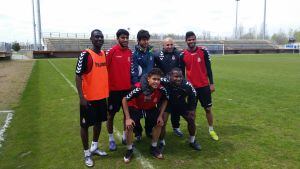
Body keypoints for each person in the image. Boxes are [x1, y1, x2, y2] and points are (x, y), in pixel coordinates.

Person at [75, 29, 108, 167]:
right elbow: (77, 76)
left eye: (101, 37)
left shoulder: (103, 54)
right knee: (85, 125)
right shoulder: (85, 55)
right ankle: (86, 153)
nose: (99, 39)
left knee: (98, 122)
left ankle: (94, 147)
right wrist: (82, 97)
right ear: (91, 39)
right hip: (88, 99)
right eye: (96, 37)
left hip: (101, 97)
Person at [122, 68, 168, 163]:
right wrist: (127, 118)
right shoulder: (138, 88)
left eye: (158, 79)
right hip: (135, 107)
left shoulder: (161, 89)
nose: (156, 82)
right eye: (154, 79)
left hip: (149, 107)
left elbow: (165, 100)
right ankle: (129, 149)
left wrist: (160, 115)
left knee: (159, 123)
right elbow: (124, 99)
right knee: (129, 126)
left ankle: (154, 147)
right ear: (148, 79)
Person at [182, 31, 219, 141]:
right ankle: (193, 133)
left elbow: (209, 68)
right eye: (189, 40)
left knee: (208, 109)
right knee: (192, 112)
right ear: (186, 41)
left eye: (193, 39)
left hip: (204, 86)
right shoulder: (183, 54)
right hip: (191, 88)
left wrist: (211, 83)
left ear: (195, 39)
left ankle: (211, 129)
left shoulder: (203, 51)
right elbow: (182, 73)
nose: (191, 41)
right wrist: (184, 87)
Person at [160, 68, 201, 150]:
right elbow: (150, 79)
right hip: (167, 104)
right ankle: (161, 142)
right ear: (170, 76)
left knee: (191, 119)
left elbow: (193, 95)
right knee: (162, 122)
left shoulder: (187, 84)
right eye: (176, 76)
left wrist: (191, 109)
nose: (178, 79)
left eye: (180, 77)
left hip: (181, 104)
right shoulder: (164, 80)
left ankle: (192, 141)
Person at [106, 29, 132, 151]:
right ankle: (111, 139)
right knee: (110, 116)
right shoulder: (111, 52)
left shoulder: (130, 53)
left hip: (127, 91)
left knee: (126, 115)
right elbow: (104, 69)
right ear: (118, 39)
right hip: (113, 91)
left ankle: (124, 135)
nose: (125, 40)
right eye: (123, 37)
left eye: (127, 37)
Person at [154, 37, 185, 137]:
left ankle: (176, 127)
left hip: (176, 87)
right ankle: (161, 131)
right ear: (163, 45)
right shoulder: (157, 55)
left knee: (176, 110)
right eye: (167, 45)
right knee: (163, 111)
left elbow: (182, 69)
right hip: (163, 88)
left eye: (171, 44)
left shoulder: (179, 54)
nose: (170, 46)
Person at [130, 29, 155, 140]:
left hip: (150, 86)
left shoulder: (151, 53)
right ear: (138, 40)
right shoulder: (134, 54)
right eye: (143, 40)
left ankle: (149, 130)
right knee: (137, 113)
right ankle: (138, 132)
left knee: (150, 112)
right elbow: (134, 71)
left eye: (147, 40)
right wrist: (137, 85)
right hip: (139, 87)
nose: (145, 42)